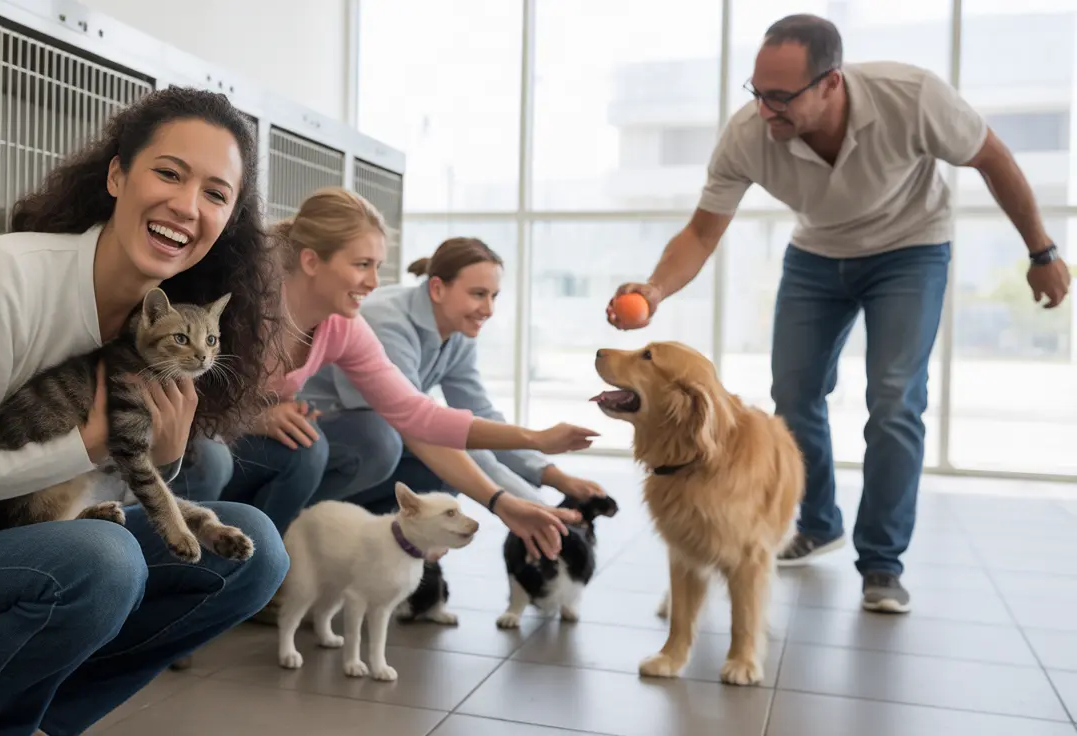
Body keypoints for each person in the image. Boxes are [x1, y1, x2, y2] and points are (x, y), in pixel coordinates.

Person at [0, 87, 291, 735]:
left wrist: (158, 457)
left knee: (257, 552)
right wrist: (94, 443)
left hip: (31, 545)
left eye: (216, 194)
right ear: (116, 175)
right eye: (168, 172)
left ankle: (42, 720)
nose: (187, 206)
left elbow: (82, 485)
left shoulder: (163, 318)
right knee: (104, 558)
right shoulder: (8, 275)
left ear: (230, 219)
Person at [608, 14, 1070, 615]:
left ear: (831, 82)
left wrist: (1042, 250)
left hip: (911, 248)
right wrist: (656, 289)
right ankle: (819, 521)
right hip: (818, 256)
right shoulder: (749, 134)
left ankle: (881, 561)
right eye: (757, 92)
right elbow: (701, 232)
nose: (764, 109)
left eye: (781, 96)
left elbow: (993, 158)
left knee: (895, 396)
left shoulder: (913, 97)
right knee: (794, 393)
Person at [170, 187, 600, 562]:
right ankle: (174, 577)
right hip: (187, 426)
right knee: (211, 457)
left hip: (244, 432)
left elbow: (417, 415)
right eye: (362, 265)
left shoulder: (342, 325)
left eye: (378, 266)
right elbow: (180, 387)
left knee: (311, 449)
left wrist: (525, 460)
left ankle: (256, 564)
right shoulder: (246, 302)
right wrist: (256, 417)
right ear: (311, 261)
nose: (374, 282)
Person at [299, 236, 606, 514]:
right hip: (320, 435)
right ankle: (301, 520)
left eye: (494, 296)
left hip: (383, 442)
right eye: (478, 294)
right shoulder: (385, 320)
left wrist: (553, 476)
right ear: (437, 288)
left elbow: (479, 414)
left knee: (443, 476)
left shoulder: (458, 331)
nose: (488, 309)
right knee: (394, 443)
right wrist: (531, 506)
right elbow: (426, 428)